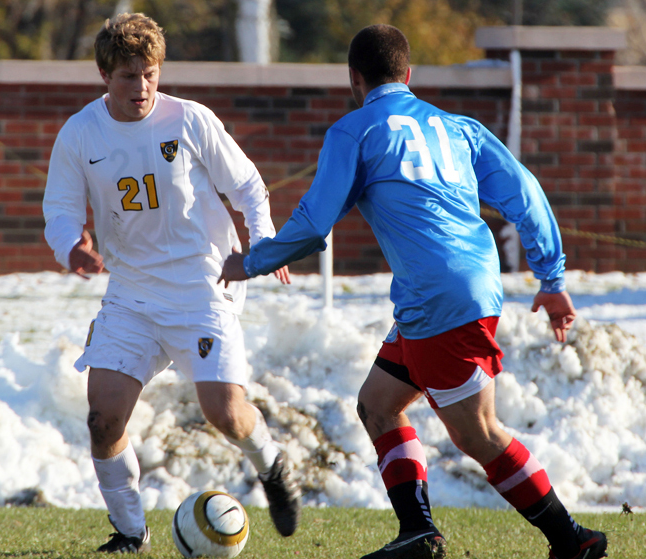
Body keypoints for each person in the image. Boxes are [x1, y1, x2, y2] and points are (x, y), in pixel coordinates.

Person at [219, 24, 607, 559]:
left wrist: (252, 261)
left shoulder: (354, 131)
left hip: (436, 298)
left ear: (353, 79)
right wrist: (551, 278)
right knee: (378, 405)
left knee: (478, 434)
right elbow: (526, 193)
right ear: (409, 75)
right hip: (463, 287)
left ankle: (572, 540)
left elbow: (313, 225)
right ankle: (418, 531)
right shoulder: (458, 127)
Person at [42, 12, 301, 554]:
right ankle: (131, 533)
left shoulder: (191, 121)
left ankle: (273, 467)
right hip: (131, 294)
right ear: (103, 75)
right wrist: (72, 247)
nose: (141, 87)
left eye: (150, 74)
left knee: (225, 414)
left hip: (203, 286)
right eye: (128, 76)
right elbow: (61, 208)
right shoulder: (80, 132)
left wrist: (264, 243)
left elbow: (249, 187)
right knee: (102, 418)